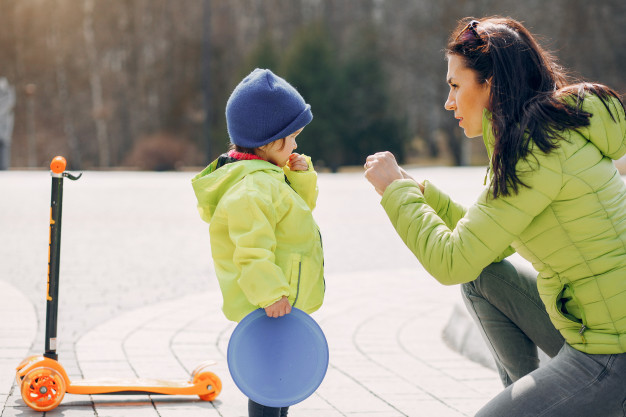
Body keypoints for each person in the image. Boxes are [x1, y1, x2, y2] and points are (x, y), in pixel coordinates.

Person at [364, 16, 626, 417]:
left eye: (455, 86)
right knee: (480, 277)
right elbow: (490, 245)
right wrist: (420, 195)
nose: (448, 101)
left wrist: (394, 192)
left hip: (612, 353)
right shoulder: (538, 136)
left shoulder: (534, 153)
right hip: (590, 331)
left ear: (491, 85)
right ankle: (535, 400)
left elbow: (450, 261)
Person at [192, 68, 325, 417]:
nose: (296, 145)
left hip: (278, 302)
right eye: (292, 137)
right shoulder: (252, 189)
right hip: (268, 304)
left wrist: (299, 175)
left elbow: (297, 211)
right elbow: (250, 250)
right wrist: (270, 294)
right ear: (269, 141)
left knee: (281, 383)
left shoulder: (269, 178)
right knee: (268, 384)